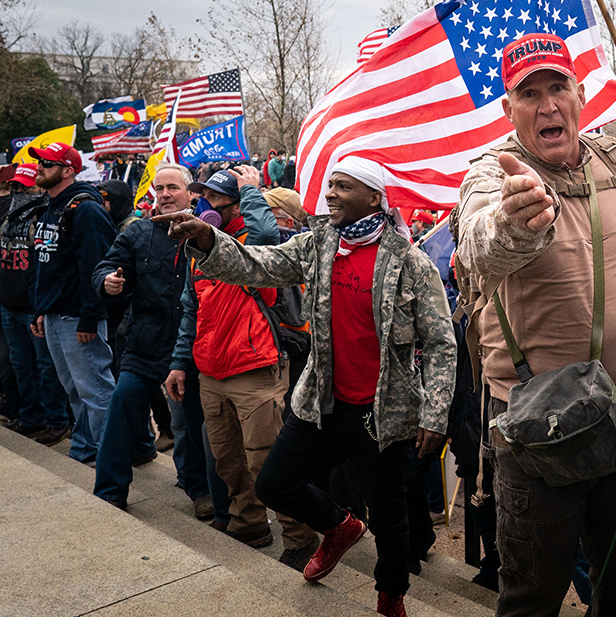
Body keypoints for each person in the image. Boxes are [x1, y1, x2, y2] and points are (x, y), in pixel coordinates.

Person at [455, 32, 616, 617]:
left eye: (558, 88)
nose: (547, 105)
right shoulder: (490, 177)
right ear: (508, 109)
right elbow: (474, 252)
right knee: (532, 598)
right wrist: (515, 225)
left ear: (579, 95)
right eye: (529, 94)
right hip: (533, 428)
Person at [156, 156, 456, 617]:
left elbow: (440, 343)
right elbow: (259, 264)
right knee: (275, 484)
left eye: (342, 186)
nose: (330, 193)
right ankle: (338, 527)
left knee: (390, 515)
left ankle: (390, 597)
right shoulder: (318, 246)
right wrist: (207, 238)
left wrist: (435, 414)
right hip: (322, 402)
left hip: (384, 414)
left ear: (374, 198)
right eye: (330, 184)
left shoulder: (411, 263)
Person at [164, 166, 314, 554]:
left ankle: (300, 539)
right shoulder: (198, 249)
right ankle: (248, 524)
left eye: (214, 198)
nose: (203, 204)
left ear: (235, 205)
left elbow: (265, 235)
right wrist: (180, 362)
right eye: (202, 196)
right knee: (227, 460)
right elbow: (190, 309)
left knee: (266, 462)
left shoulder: (257, 243)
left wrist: (252, 191)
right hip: (211, 372)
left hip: (255, 369)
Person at [92, 164, 211, 517]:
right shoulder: (138, 233)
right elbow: (105, 266)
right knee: (121, 408)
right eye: (159, 189)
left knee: (192, 424)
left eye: (172, 187)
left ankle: (199, 489)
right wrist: (107, 282)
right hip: (143, 344)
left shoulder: (205, 234)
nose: (164, 194)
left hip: (188, 349)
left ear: (191, 194)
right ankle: (110, 489)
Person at [28, 143, 118, 465]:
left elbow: (95, 267)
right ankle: (85, 451)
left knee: (96, 392)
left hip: (77, 318)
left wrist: (90, 318)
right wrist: (41, 310)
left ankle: (111, 462)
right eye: (39, 161)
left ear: (68, 170)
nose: (39, 167)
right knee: (75, 392)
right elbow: (46, 265)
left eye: (47, 163)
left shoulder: (86, 209)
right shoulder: (50, 206)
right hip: (55, 315)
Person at [0, 163, 70, 444]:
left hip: (34, 307)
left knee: (45, 366)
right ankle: (30, 418)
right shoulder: (7, 220)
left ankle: (56, 420)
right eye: (15, 186)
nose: (18, 191)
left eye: (24, 187)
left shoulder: (45, 219)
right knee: (20, 365)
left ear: (38, 189)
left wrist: (42, 305)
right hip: (9, 305)